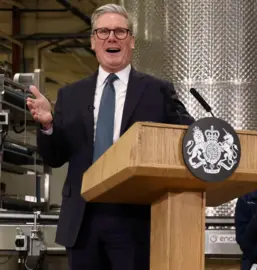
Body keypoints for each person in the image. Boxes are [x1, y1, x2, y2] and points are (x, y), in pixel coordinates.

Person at [26, 4, 194, 270]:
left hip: (135, 220)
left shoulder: (157, 91)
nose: (112, 38)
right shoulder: (71, 95)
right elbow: (55, 157)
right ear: (93, 42)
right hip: (82, 221)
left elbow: (188, 137)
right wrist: (47, 126)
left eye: (120, 31)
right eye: (103, 32)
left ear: (132, 41)